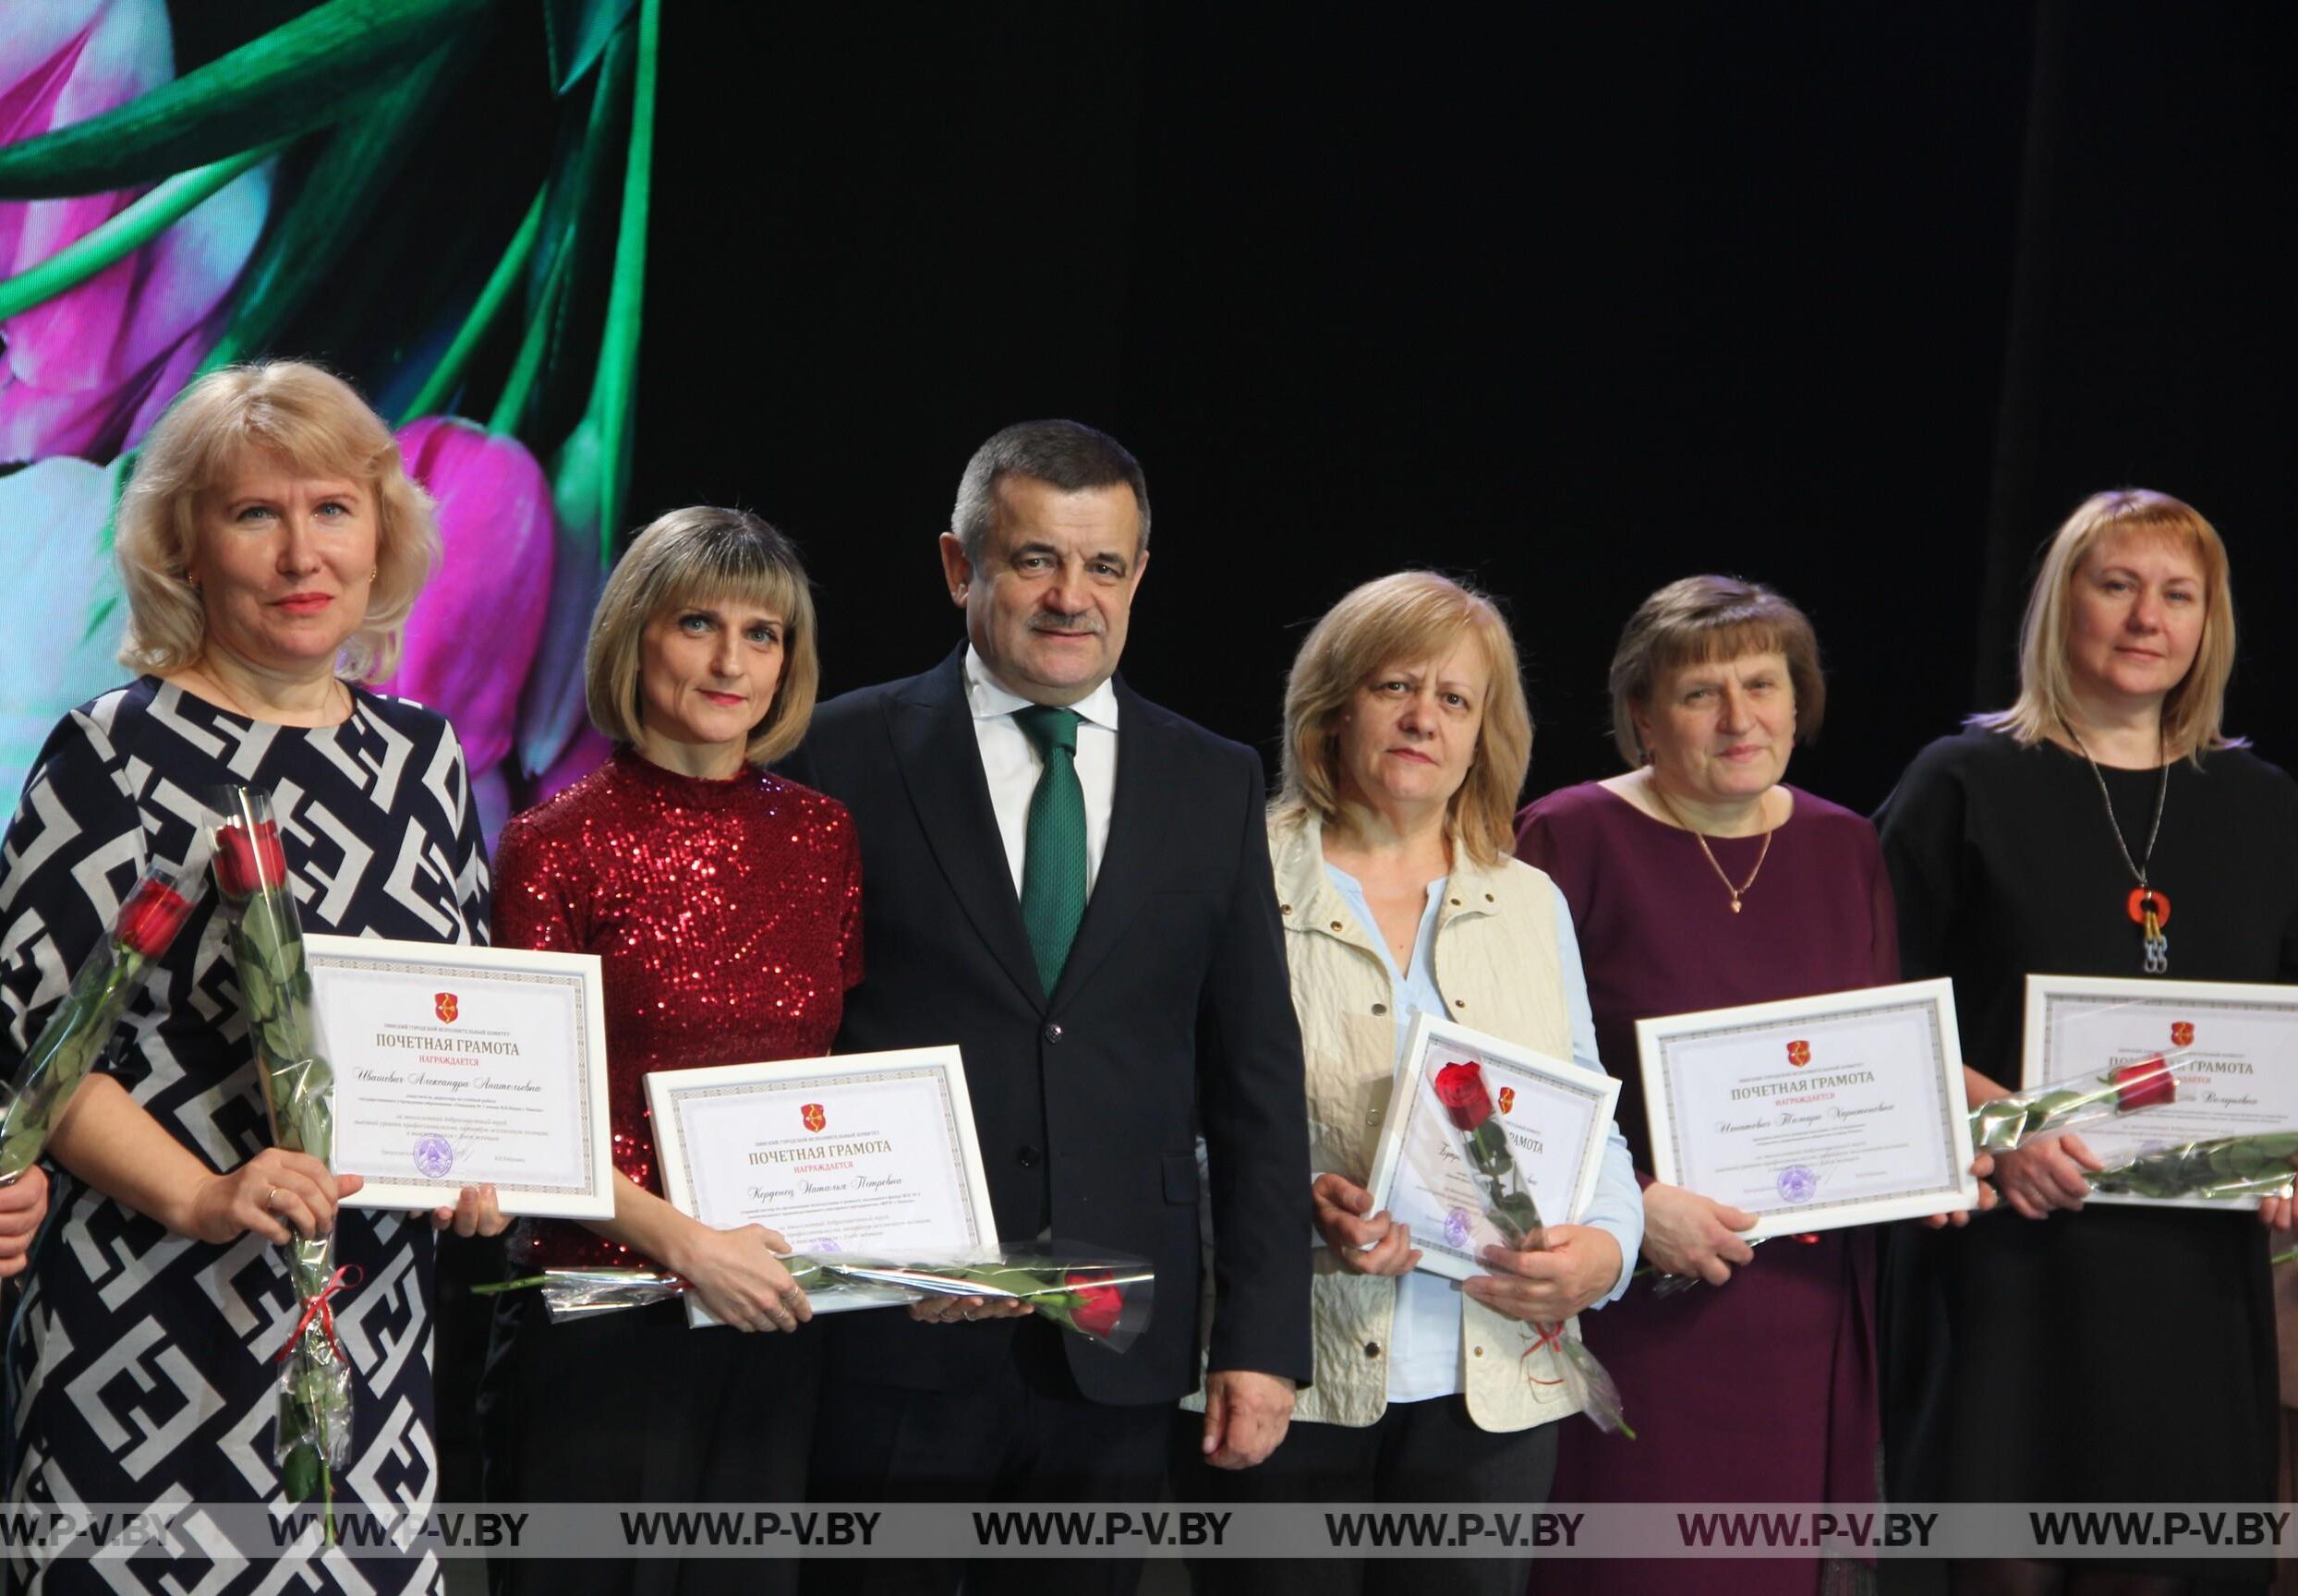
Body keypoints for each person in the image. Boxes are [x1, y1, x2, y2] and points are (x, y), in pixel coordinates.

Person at [782, 419, 1311, 1596]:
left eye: (1104, 566)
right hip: (892, 1335)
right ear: (959, 568)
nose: (1072, 597)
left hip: (1119, 1352)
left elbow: (1257, 1082)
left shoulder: (1212, 778)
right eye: (1034, 560)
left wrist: (1263, 1345)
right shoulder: (838, 753)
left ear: (1137, 578)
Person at [0, 360, 503, 1594]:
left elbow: (474, 1025)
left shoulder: (425, 759)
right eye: (253, 515)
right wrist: (206, 1197)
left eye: (332, 509)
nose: (301, 556)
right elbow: (36, 1055)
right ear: (188, 549)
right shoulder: (113, 753)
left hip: (369, 1332)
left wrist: (483, 1155)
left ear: (382, 532)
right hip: (149, 1327)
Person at [1170, 571, 1643, 1596]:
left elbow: (1590, 1123)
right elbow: (1159, 1125)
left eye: (1455, 698)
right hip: (1289, 1376)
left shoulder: (1530, 903)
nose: (1423, 717)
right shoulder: (1231, 873)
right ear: (1336, 706)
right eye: (1394, 686)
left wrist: (1607, 1250)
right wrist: (1288, 1213)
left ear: (1483, 734)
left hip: (1494, 1390)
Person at [1877, 490, 2298, 1594]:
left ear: (2209, 623)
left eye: (2177, 595)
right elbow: (1871, 1000)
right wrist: (1999, 1124)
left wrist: (2289, 1149)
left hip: (2188, 1273)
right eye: (2115, 585)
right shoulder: (1960, 784)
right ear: (2061, 605)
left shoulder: (2261, 806)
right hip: (2011, 1252)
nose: (2144, 618)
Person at [1516, 574, 1953, 1596]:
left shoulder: (1844, 846)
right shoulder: (1566, 836)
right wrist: (1633, 1208)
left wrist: (1923, 1156)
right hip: (1635, 1297)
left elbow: (1872, 1058)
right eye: (1699, 692)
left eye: (1763, 684)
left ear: (1799, 702)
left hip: (1799, 1306)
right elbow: (1506, 1084)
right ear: (1640, 717)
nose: (1739, 716)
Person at [482, 506, 859, 1596]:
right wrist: (688, 1246)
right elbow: (529, 1117)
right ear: (635, 638)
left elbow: (831, 1082)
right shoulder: (551, 843)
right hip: (600, 1321)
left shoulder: (823, 835)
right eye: (699, 623)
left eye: (763, 632)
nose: (732, 659)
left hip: (772, 1320)